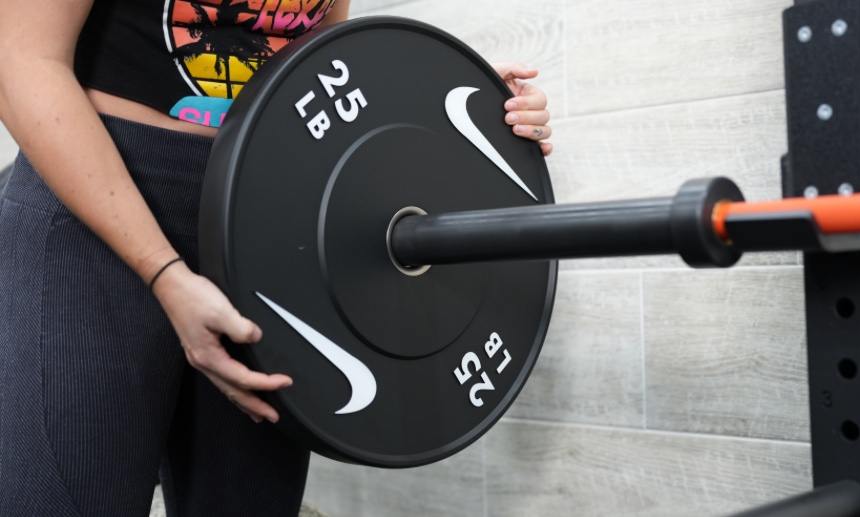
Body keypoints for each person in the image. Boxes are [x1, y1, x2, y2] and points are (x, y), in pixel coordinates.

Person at [0, 0, 553, 515]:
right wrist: (162, 270)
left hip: (261, 219)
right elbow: (21, 59)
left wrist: (449, 95)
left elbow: (324, 74)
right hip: (93, 213)